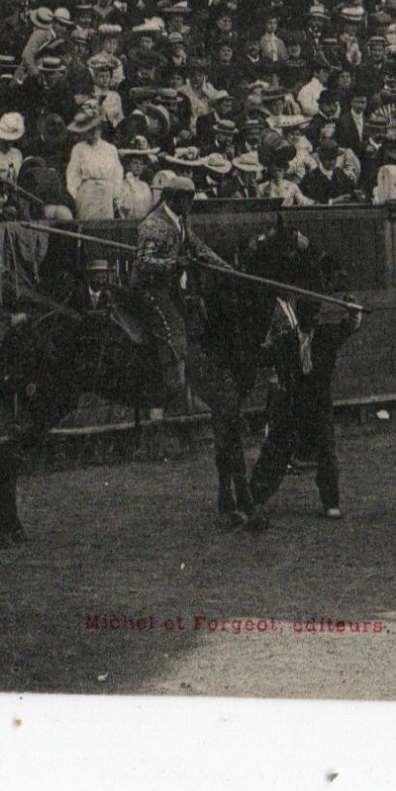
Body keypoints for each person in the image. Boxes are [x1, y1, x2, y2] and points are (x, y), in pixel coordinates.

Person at [246, 296, 363, 525]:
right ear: (300, 317)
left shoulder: (326, 336)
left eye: (316, 316)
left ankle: (331, 503)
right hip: (292, 407)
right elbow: (260, 357)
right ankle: (253, 498)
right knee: (275, 452)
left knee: (327, 453)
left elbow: (349, 326)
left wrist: (354, 310)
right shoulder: (284, 343)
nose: (313, 320)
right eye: (309, 316)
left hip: (318, 407)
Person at [129, 175, 229, 394]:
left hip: (170, 287)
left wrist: (225, 267)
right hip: (150, 288)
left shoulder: (182, 219)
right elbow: (144, 261)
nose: (191, 203)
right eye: (187, 198)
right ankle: (171, 391)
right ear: (173, 199)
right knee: (173, 329)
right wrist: (174, 264)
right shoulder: (154, 224)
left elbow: (197, 246)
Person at [64, 103, 124, 220]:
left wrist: (116, 197)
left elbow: (117, 175)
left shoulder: (110, 149)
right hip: (87, 195)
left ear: (100, 128)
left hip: (106, 195)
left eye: (93, 129)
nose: (90, 133)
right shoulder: (79, 149)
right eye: (87, 130)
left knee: (105, 228)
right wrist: (75, 197)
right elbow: (72, 176)